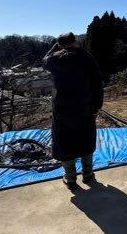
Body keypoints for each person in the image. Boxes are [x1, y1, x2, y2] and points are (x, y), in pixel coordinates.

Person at [42, 32, 103, 190]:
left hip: (62, 108)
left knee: (64, 140)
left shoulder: (55, 59)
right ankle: (88, 174)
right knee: (86, 137)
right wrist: (97, 105)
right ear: (76, 42)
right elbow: (97, 83)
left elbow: (44, 60)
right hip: (85, 106)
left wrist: (56, 46)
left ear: (61, 45)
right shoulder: (86, 57)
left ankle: (70, 178)